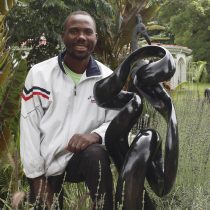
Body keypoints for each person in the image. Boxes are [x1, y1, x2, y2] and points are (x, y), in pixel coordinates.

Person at [20, 11, 117, 210]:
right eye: (74, 31)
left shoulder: (107, 79)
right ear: (63, 35)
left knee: (96, 154)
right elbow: (28, 129)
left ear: (95, 38)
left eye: (87, 32)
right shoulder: (39, 74)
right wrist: (36, 176)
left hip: (80, 159)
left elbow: (117, 121)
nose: (81, 37)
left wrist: (96, 135)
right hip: (47, 163)